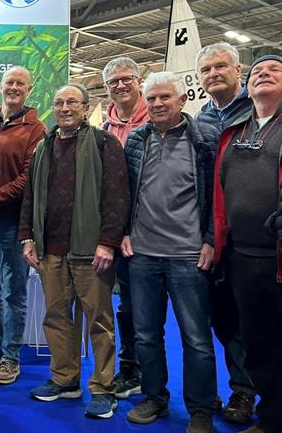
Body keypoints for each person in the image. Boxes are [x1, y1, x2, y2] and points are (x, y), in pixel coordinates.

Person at [19, 83, 129, 419]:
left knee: (99, 320)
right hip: (50, 251)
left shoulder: (104, 143)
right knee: (55, 317)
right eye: (59, 103)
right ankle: (65, 379)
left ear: (85, 107)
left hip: (90, 250)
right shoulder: (43, 147)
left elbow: (117, 195)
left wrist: (107, 242)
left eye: (72, 102)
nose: (64, 108)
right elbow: (30, 197)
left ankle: (103, 388)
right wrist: (27, 237)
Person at [121, 72, 219, 433]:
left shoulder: (204, 138)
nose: (158, 104)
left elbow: (217, 194)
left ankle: (201, 409)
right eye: (152, 98)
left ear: (182, 100)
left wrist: (210, 239)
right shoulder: (137, 140)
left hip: (188, 256)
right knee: (146, 335)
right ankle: (154, 398)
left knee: (197, 338)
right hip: (142, 255)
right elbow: (124, 192)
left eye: (165, 97)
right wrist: (123, 232)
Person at [214, 54, 282, 433]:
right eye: (258, 71)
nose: (263, 75)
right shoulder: (235, 132)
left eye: (274, 70)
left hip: (278, 257)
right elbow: (219, 192)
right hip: (241, 257)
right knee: (257, 345)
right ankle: (271, 419)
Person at [0, 66, 45, 386]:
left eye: (20, 84)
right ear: (0, 87)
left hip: (13, 221)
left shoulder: (36, 129)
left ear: (29, 90)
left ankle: (10, 356)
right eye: (9, 82)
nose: (14, 87)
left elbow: (29, 177)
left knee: (14, 291)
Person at [195, 42, 256, 424]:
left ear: (238, 70)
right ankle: (242, 390)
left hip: (255, 236)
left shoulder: (260, 111)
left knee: (260, 319)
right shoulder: (200, 120)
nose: (214, 74)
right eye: (206, 70)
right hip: (213, 237)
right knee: (225, 319)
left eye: (220, 66)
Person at [99, 57, 149, 400]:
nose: (120, 85)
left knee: (146, 308)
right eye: (113, 81)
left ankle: (149, 373)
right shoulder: (103, 130)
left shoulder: (156, 120)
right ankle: (130, 369)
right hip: (114, 233)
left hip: (149, 232)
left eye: (126, 78)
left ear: (139, 80)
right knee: (124, 306)